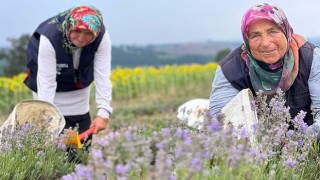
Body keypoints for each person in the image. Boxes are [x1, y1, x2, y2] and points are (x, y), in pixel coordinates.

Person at [209, 3, 320, 127]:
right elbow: (220, 124)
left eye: (272, 32)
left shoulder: (310, 58)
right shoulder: (230, 69)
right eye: (255, 35)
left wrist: (303, 142)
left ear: (286, 32)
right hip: (254, 142)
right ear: (246, 40)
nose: (266, 43)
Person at [24, 5, 113, 146]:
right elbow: (47, 82)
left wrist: (104, 112)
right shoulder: (49, 37)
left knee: (78, 142)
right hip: (47, 83)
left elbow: (102, 75)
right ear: (69, 27)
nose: (82, 38)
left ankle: (77, 164)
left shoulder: (101, 37)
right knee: (50, 139)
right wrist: (45, 115)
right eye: (77, 31)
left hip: (78, 85)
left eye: (88, 33)